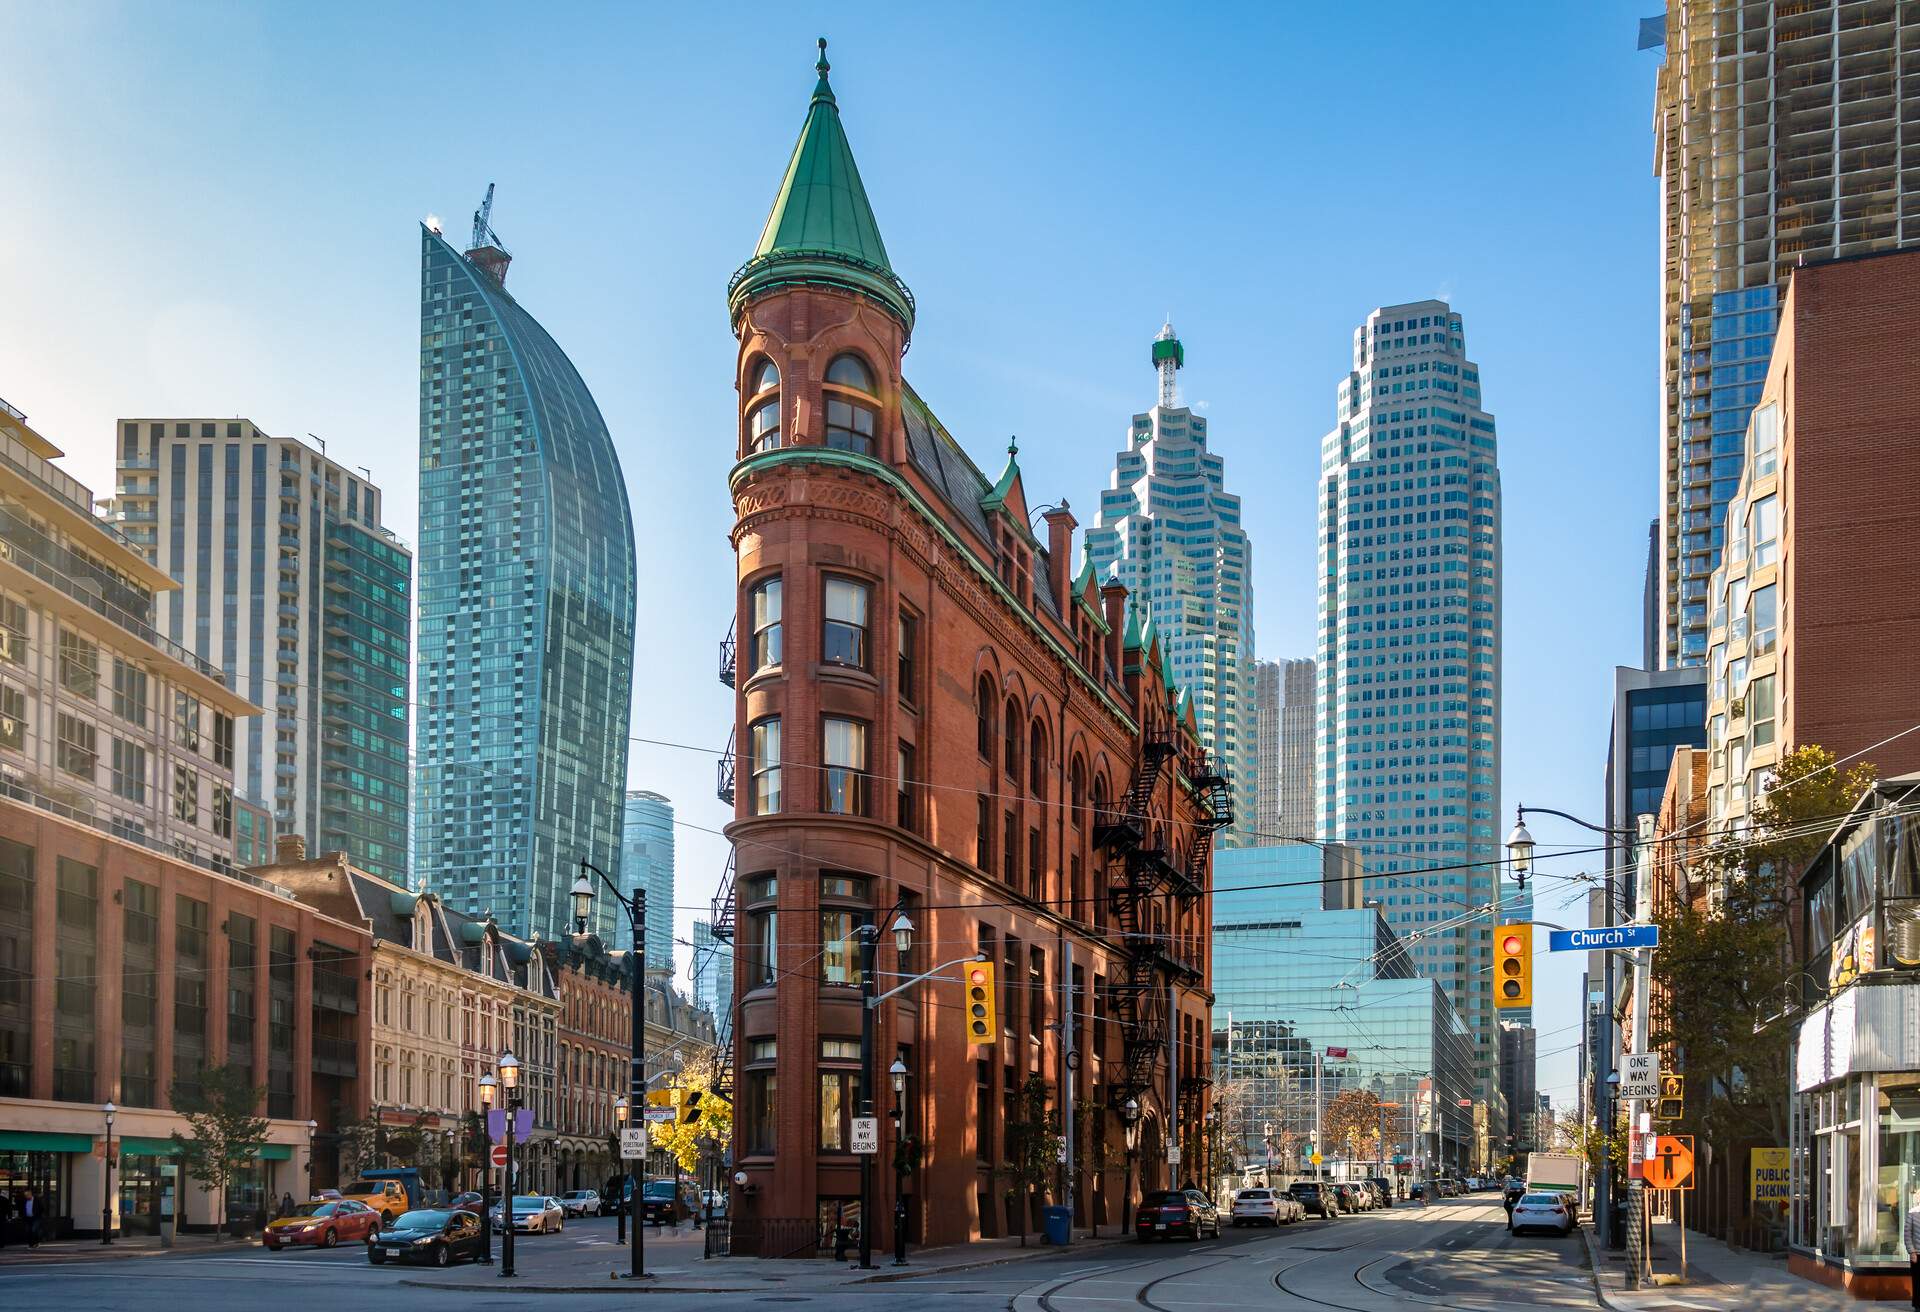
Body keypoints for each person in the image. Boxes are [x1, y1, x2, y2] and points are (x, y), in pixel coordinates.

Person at [1904, 1195, 1920, 1311]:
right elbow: (1907, 1234)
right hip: (1917, 1254)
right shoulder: (1912, 1212)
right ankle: (1917, 1305)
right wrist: (1912, 1252)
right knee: (1917, 1281)